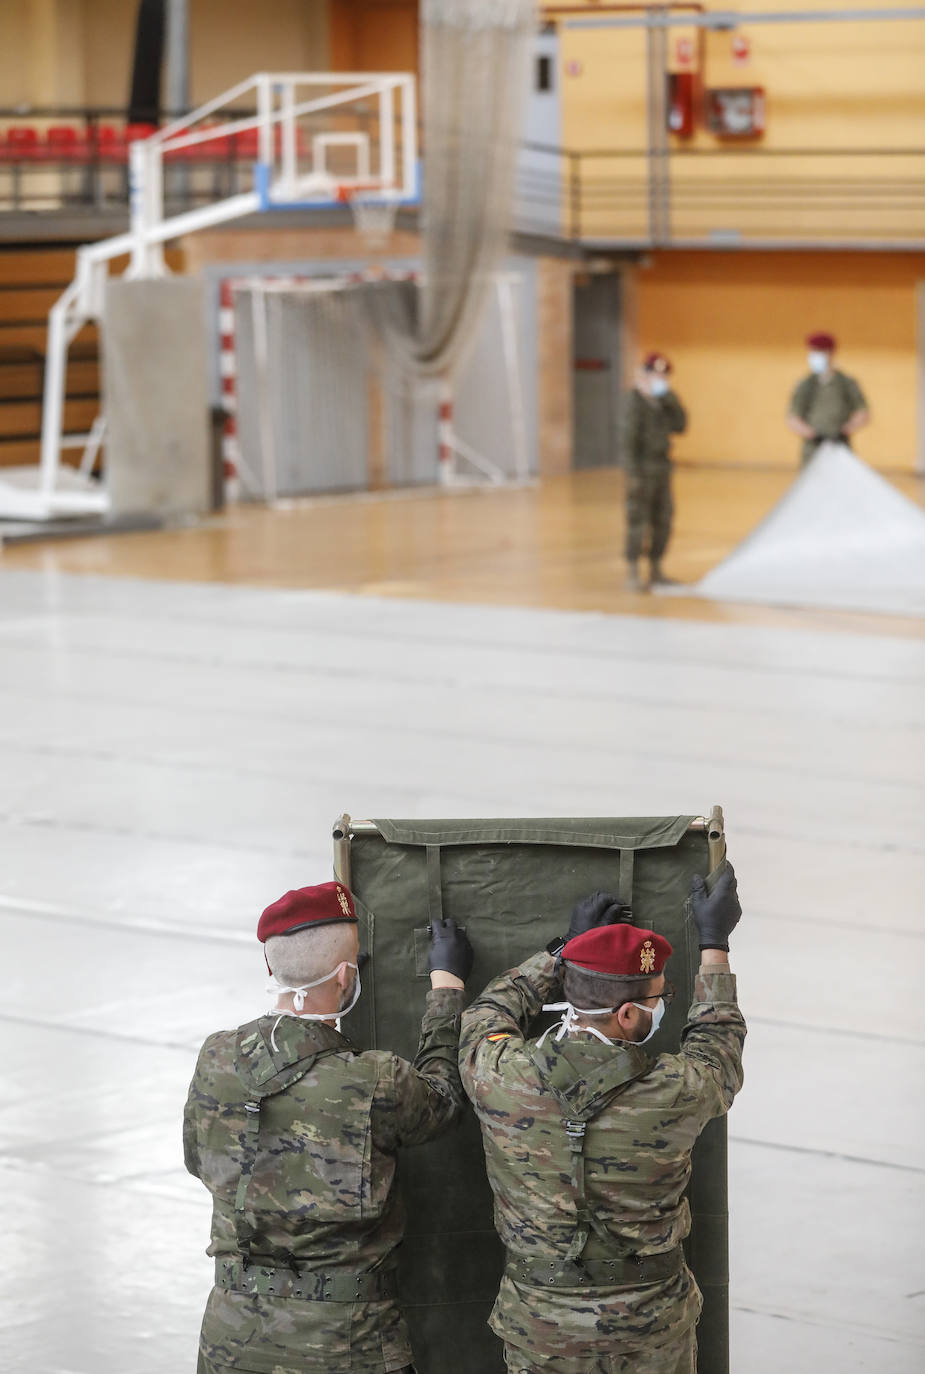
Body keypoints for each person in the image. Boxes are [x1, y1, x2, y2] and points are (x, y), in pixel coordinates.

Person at [459, 869, 745, 1374]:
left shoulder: (498, 1074)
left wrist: (563, 948)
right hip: (651, 1327)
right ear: (630, 1016)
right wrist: (714, 945)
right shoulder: (678, 1089)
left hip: (540, 1327)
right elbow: (717, 1046)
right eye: (660, 998)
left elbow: (489, 1009)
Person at [184, 880, 474, 1374]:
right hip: (349, 1345)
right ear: (345, 978)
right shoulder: (374, 1078)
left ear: (270, 967)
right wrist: (446, 992)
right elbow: (444, 1101)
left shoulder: (216, 1057)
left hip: (232, 1340)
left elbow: (197, 1159)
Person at [621, 352, 688, 592]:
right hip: (641, 469)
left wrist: (668, 398)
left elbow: (681, 425)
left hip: (662, 467)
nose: (661, 379)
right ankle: (632, 572)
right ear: (644, 374)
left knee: (664, 519)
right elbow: (627, 442)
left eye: (664, 375)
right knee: (637, 520)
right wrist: (632, 474)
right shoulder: (634, 402)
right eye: (656, 374)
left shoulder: (663, 401)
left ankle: (656, 569)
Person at [787, 331, 869, 467]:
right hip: (813, 449)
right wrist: (815, 435)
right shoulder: (807, 384)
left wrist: (844, 430)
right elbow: (793, 418)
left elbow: (863, 413)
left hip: (840, 447)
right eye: (812, 351)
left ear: (830, 353)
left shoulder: (845, 382)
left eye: (818, 351)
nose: (813, 356)